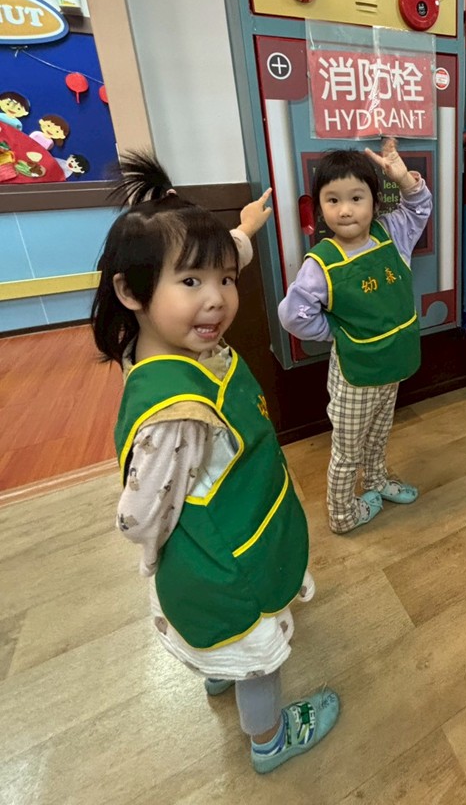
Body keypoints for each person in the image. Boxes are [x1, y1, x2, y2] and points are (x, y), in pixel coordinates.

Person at [90, 150, 339, 774]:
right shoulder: (178, 413)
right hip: (226, 566)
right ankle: (269, 740)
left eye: (225, 280)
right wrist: (160, 558)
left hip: (237, 530)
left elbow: (218, 259)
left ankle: (217, 668)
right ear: (130, 291)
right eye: (192, 283)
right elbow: (138, 517)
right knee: (258, 660)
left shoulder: (159, 340)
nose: (218, 300)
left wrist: (244, 231)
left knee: (228, 650)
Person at [278, 140, 432, 534]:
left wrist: (403, 178)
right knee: (347, 451)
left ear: (375, 203)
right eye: (333, 200)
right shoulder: (321, 262)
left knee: (379, 434)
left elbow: (419, 207)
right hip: (355, 377)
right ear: (320, 208)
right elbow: (293, 315)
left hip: (391, 367)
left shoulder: (392, 233)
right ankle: (343, 514)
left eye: (356, 198)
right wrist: (335, 333)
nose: (345, 210)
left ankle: (377, 480)